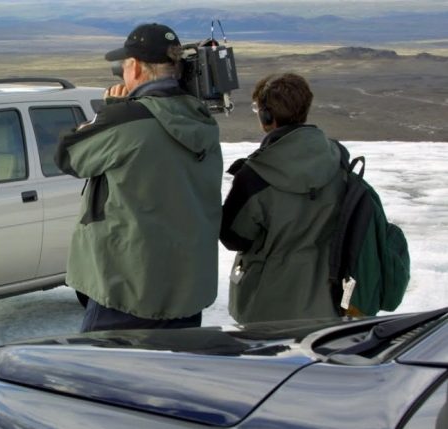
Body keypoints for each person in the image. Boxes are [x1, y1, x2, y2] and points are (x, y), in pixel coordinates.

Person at [55, 23, 223, 332]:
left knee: (105, 375)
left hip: (128, 286)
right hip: (186, 288)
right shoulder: (201, 119)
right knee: (169, 374)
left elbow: (69, 156)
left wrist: (109, 113)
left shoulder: (127, 120)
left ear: (135, 67)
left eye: (124, 64)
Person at [220, 72, 344, 323]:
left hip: (268, 306)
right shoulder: (338, 158)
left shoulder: (255, 176)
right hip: (329, 301)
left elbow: (233, 237)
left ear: (267, 116)